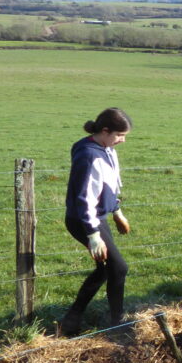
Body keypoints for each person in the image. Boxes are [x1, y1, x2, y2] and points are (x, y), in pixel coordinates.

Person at [60, 108, 133, 336]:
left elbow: (108, 185)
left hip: (96, 217)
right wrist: (93, 235)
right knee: (118, 268)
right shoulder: (89, 155)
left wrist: (117, 211)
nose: (122, 140)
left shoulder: (106, 149)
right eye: (119, 135)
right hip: (85, 220)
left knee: (105, 269)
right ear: (105, 131)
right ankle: (117, 322)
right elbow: (85, 198)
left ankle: (71, 320)